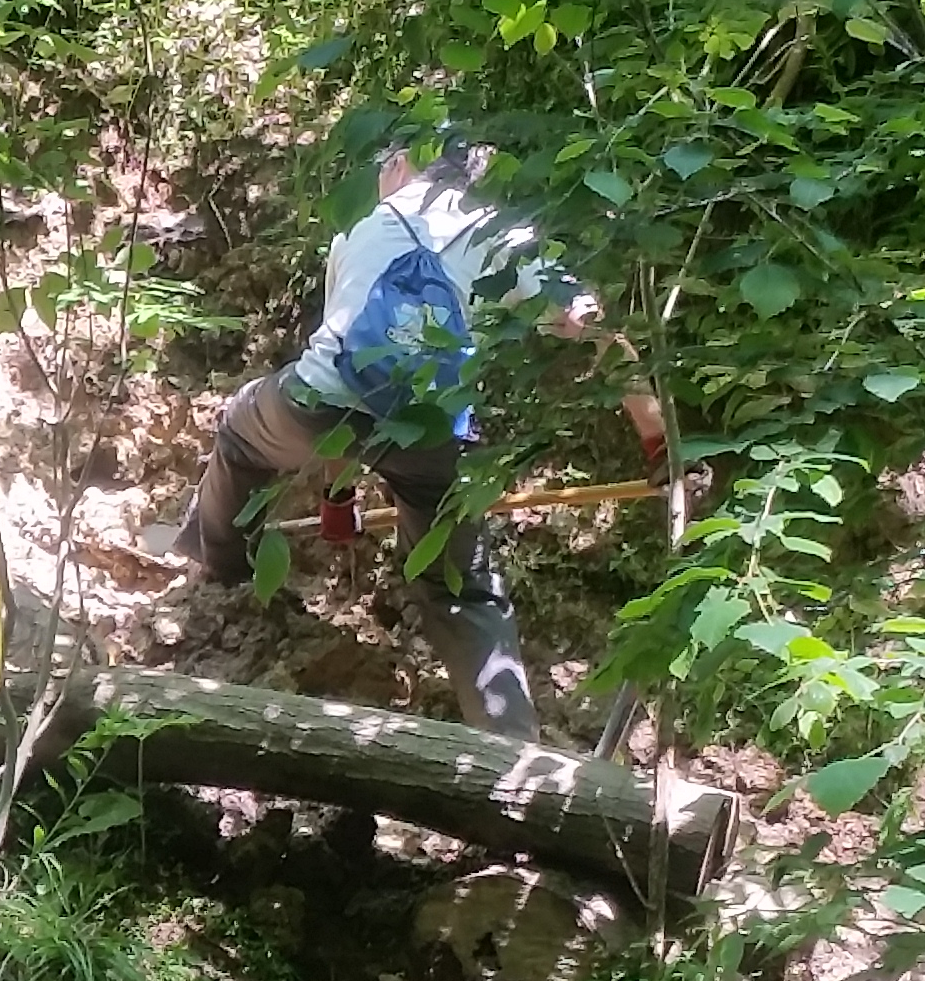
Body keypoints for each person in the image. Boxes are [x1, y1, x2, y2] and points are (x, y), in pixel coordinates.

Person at [176, 142, 670, 739]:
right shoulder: (501, 237)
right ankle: (514, 759)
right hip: (430, 432)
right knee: (464, 592)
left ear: (401, 168)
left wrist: (337, 499)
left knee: (239, 434)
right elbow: (592, 326)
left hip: (316, 407)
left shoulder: (361, 226)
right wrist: (658, 444)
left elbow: (351, 368)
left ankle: (221, 570)